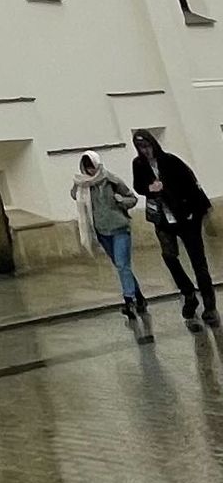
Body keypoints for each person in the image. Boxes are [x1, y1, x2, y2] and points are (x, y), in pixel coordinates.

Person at [132, 129, 218, 327]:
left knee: (198, 262)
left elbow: (190, 184)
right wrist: (149, 189)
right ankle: (188, 293)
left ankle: (209, 305)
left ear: (154, 144)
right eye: (140, 148)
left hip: (186, 217)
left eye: (147, 146)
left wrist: (194, 211)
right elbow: (138, 186)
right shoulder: (139, 165)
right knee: (169, 256)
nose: (145, 151)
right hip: (162, 219)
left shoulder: (170, 161)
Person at [75, 154, 152, 336]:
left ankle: (129, 301)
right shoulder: (84, 184)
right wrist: (78, 187)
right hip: (102, 231)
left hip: (119, 228)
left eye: (92, 166)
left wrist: (121, 201)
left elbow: (131, 198)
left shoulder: (111, 180)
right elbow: (75, 197)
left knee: (122, 264)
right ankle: (139, 297)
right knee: (121, 265)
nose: (90, 170)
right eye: (87, 167)